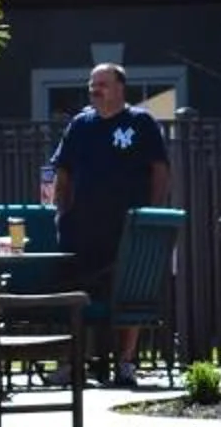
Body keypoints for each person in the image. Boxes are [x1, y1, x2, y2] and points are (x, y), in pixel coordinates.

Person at [49, 64, 172, 388]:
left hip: (127, 228)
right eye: (92, 84)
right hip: (81, 229)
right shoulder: (80, 125)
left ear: (120, 88)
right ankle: (71, 363)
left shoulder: (140, 123)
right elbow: (62, 173)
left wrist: (151, 213)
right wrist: (61, 210)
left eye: (102, 84)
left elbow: (159, 170)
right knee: (73, 294)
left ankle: (126, 363)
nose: (95, 90)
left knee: (127, 293)